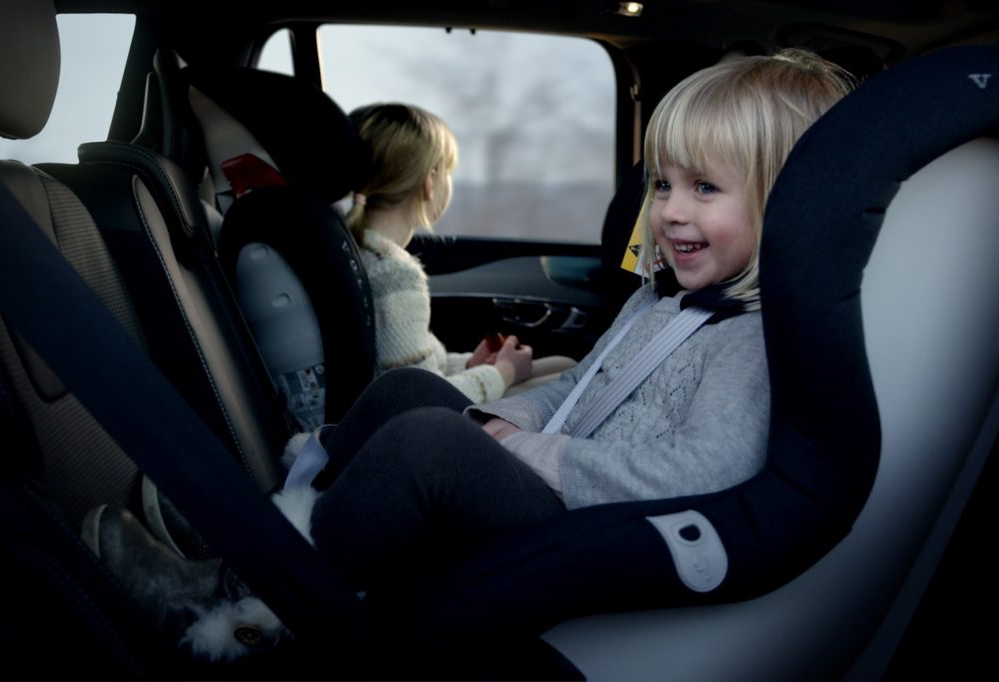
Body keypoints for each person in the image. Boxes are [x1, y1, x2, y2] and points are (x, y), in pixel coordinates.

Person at [83, 49, 853, 665]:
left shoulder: (755, 338)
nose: (670, 211)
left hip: (601, 532)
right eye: (663, 184)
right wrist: (499, 416)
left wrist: (531, 453)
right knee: (408, 394)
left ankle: (241, 607)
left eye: (705, 188)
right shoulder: (658, 299)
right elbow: (578, 386)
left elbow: (701, 476)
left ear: (787, 205)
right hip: (565, 486)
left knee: (429, 445)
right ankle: (277, 545)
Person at [345, 102, 574, 403]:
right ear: (430, 183)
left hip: (403, 406)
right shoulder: (393, 273)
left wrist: (468, 366)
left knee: (565, 366)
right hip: (418, 422)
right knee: (569, 379)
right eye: (448, 173)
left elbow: (405, 362)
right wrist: (504, 372)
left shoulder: (354, 251)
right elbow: (419, 397)